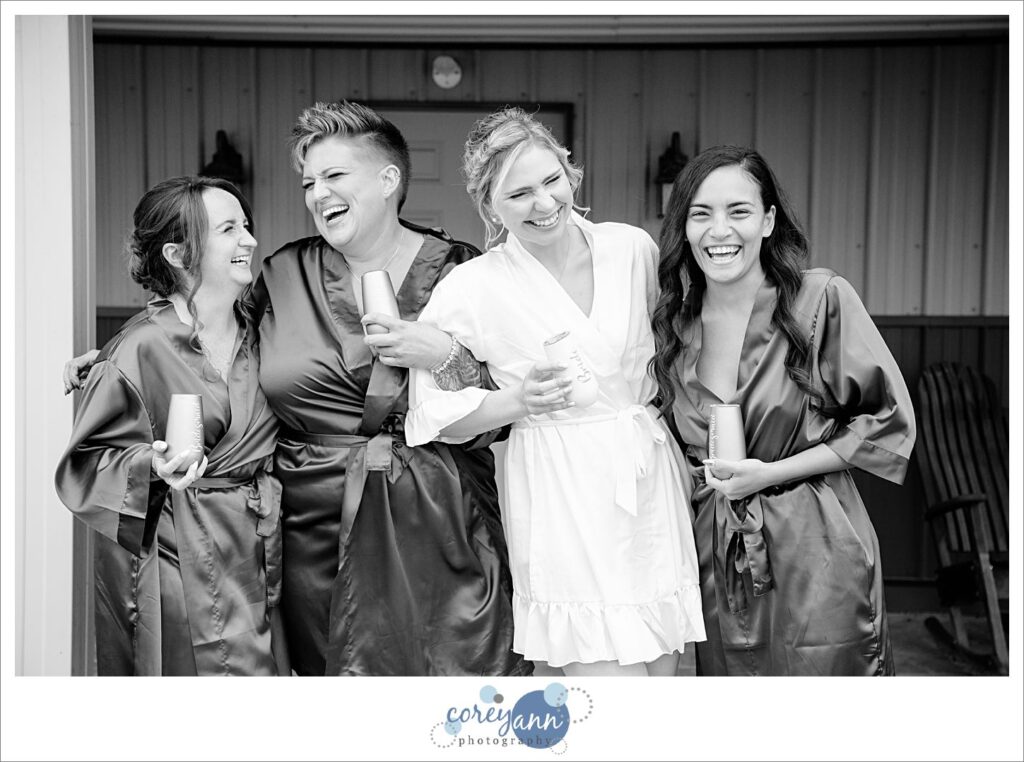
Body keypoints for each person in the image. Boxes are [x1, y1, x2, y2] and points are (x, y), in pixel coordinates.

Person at [405, 107, 706, 677]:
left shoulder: (631, 250)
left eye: (551, 181)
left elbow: (676, 345)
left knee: (663, 669)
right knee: (606, 677)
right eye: (518, 194)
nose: (543, 204)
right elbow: (434, 415)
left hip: (643, 473)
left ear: (572, 174)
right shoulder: (472, 286)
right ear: (489, 205)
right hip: (558, 484)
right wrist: (518, 402)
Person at [251, 101, 526, 676]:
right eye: (308, 182)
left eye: (334, 176)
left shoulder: (465, 271)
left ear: (388, 179)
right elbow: (211, 344)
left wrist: (444, 354)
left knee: (456, 686)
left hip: (440, 513)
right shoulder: (281, 274)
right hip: (315, 522)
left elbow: (508, 403)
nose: (318, 193)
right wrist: (120, 355)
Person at [650, 145, 916, 676]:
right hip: (718, 552)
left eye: (739, 211)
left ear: (768, 220)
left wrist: (769, 473)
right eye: (700, 214)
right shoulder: (672, 327)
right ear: (682, 227)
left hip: (816, 540)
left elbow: (884, 418)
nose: (719, 230)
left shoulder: (819, 299)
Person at [55, 176, 286, 676]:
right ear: (179, 255)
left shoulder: (264, 333)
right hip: (173, 556)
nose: (249, 240)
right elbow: (87, 463)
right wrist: (151, 464)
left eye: (245, 225)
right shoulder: (139, 347)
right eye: (228, 229)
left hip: (255, 545)